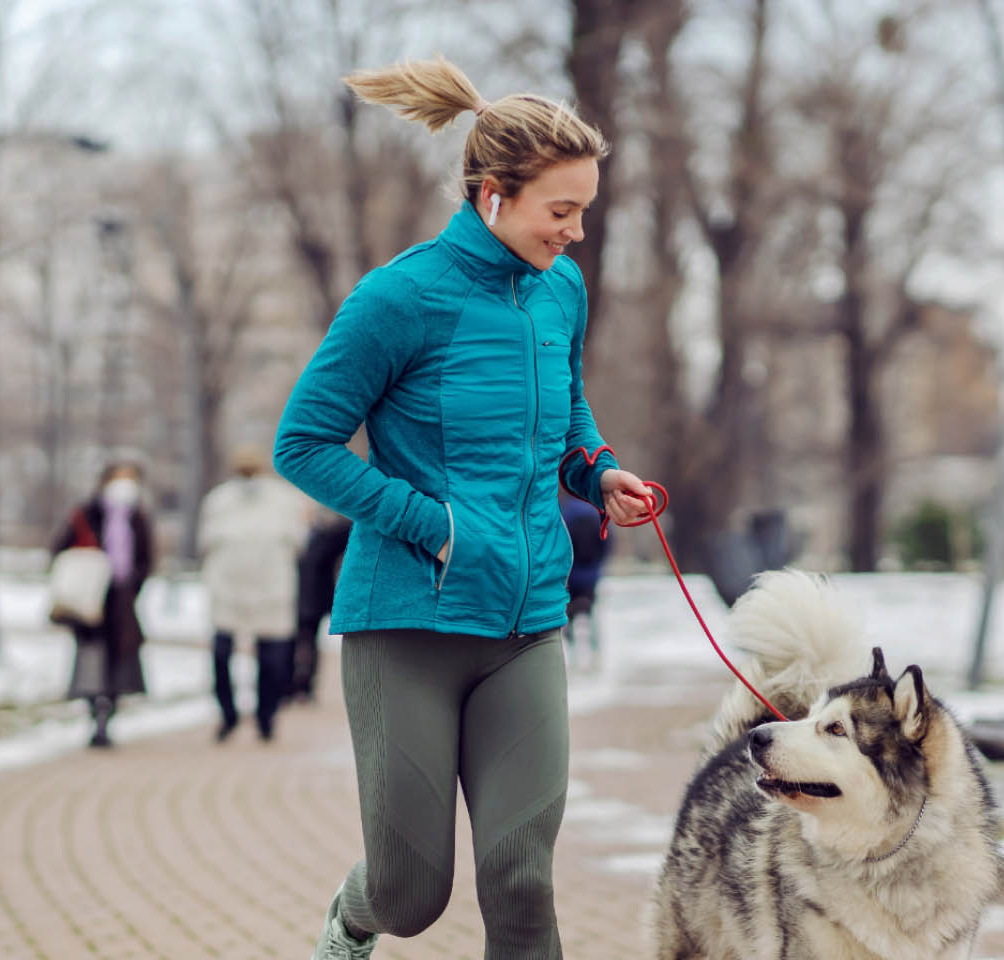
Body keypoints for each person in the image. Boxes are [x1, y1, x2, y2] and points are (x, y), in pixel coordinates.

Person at [272, 56, 655, 960]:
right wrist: (433, 525)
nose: (577, 233)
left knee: (522, 881)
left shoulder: (560, 289)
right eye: (560, 211)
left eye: (585, 211)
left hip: (527, 621)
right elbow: (305, 444)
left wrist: (594, 469)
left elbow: (562, 406)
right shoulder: (400, 297)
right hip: (408, 620)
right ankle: (352, 918)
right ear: (492, 194)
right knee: (412, 894)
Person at [198, 446, 308, 742]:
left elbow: (298, 541)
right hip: (228, 588)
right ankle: (228, 714)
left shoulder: (284, 499)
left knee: (272, 659)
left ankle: (266, 716)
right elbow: (206, 542)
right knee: (222, 654)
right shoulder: (219, 500)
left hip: (271, 587)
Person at [51, 462, 153, 748]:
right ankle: (95, 714)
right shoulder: (87, 513)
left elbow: (146, 558)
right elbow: (60, 549)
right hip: (91, 598)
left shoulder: (137, 516)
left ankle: (109, 712)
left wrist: (133, 586)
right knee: (91, 658)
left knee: (120, 657)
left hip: (123, 597)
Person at [292, 507, 352, 702]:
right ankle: (295, 683)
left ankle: (305, 684)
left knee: (308, 639)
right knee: (296, 640)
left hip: (314, 597)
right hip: (295, 595)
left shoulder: (330, 534)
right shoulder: (303, 537)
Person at [559, 490, 610, 672]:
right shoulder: (597, 512)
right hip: (591, 574)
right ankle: (595, 653)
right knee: (592, 613)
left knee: (569, 616)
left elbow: (560, 543)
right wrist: (599, 565)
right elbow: (607, 542)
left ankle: (572, 655)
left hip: (570, 576)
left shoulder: (567, 512)